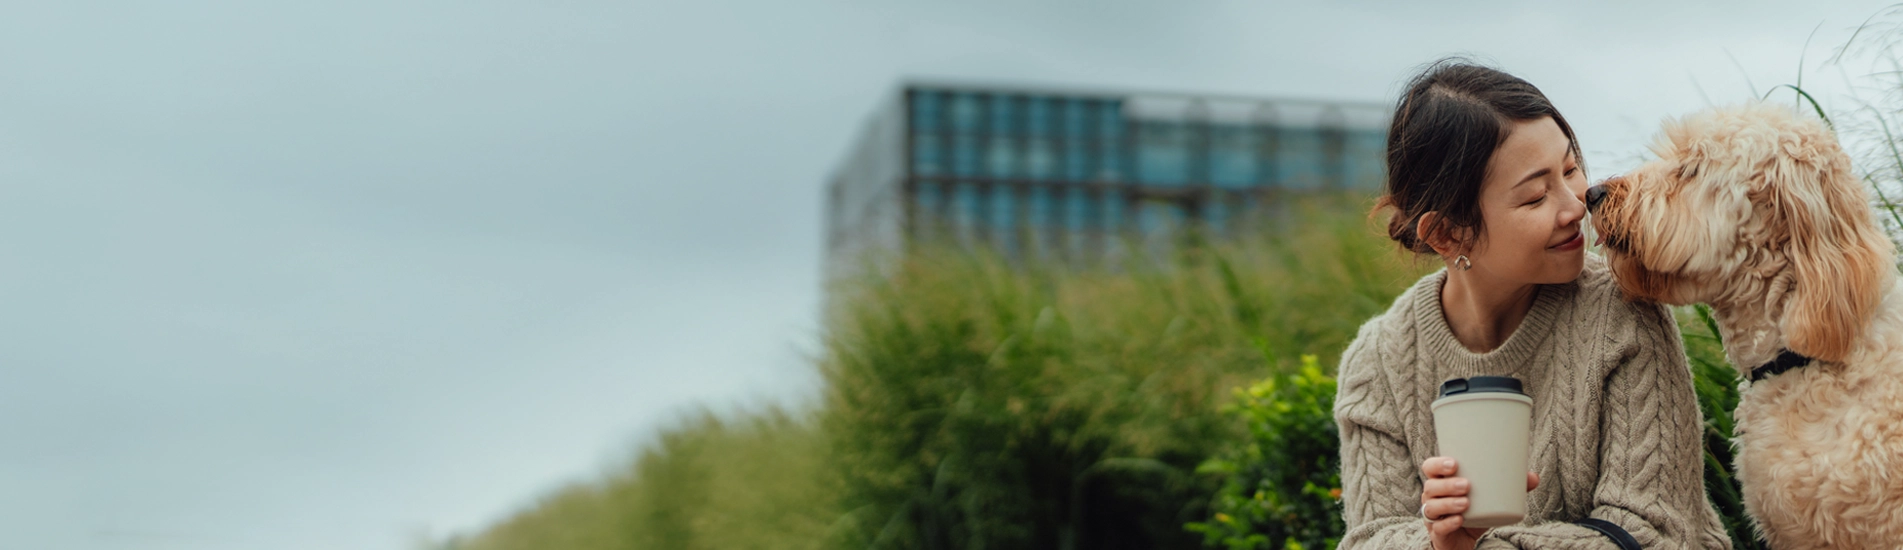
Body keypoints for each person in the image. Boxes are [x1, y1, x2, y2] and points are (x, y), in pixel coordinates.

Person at [1332, 59, 1730, 550]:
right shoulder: (1378, 362)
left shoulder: (1621, 312)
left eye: (1570, 169)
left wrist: (1471, 547)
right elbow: (1370, 538)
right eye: (1535, 196)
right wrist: (1440, 541)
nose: (1575, 205)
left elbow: (1654, 532)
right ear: (1446, 233)